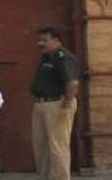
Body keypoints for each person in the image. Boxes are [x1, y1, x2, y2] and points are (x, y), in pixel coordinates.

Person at [31, 27, 80, 180]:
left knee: (57, 147)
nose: (40, 43)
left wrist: (67, 102)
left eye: (45, 40)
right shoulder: (47, 58)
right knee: (41, 146)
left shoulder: (63, 58)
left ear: (56, 41)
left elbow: (72, 83)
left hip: (56, 104)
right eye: (39, 40)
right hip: (42, 104)